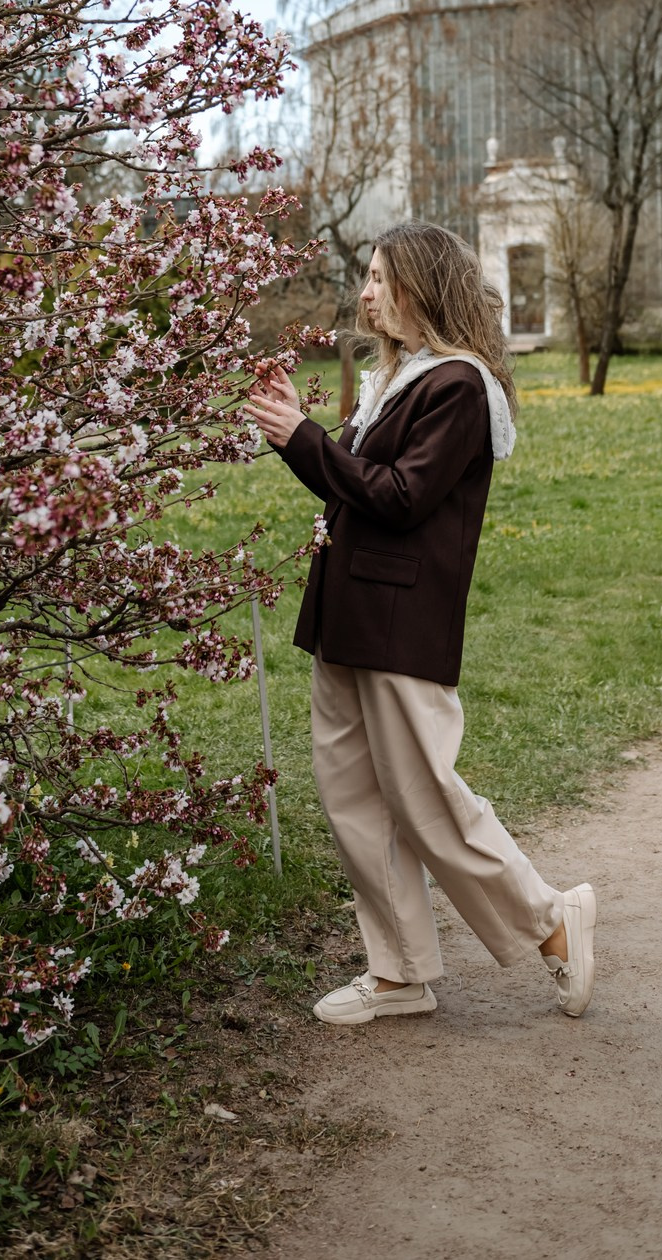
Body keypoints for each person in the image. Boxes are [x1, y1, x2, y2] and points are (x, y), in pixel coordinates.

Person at [247, 221, 596, 1027]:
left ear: (420, 286)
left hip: (401, 623)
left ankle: (551, 924)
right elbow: (353, 484)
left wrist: (307, 439)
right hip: (345, 617)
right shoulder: (394, 380)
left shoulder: (459, 387)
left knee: (427, 798)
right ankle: (400, 973)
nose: (364, 293)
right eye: (365, 277)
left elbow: (401, 497)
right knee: (353, 801)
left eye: (377, 277)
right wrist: (294, 429)